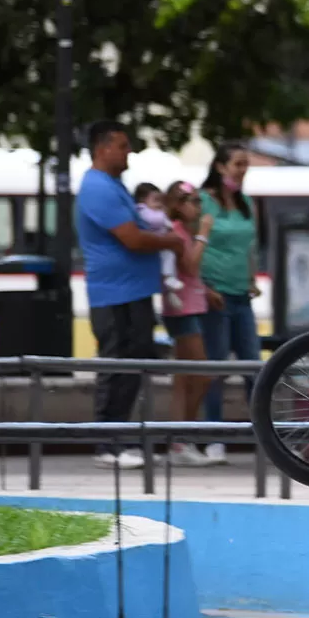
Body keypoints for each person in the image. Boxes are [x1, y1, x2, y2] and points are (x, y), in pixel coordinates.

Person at [77, 121, 184, 470]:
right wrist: (171, 242)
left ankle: (121, 437)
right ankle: (107, 444)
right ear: (102, 148)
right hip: (114, 293)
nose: (128, 153)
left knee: (135, 362)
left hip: (133, 290)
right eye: (122, 146)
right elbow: (133, 239)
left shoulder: (114, 185)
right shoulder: (97, 187)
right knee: (116, 364)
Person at [199, 141, 261, 465]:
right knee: (217, 368)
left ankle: (265, 438)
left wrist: (251, 278)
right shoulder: (203, 201)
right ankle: (213, 437)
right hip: (215, 296)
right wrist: (203, 286)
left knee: (254, 368)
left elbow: (249, 246)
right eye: (237, 164)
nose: (243, 170)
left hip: (241, 295)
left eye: (245, 164)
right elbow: (191, 244)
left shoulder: (245, 202)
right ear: (220, 166)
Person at [161, 181, 217, 466]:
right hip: (181, 312)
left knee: (183, 378)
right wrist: (204, 234)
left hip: (191, 307)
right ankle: (183, 438)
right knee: (201, 375)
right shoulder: (176, 233)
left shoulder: (183, 232)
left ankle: (179, 441)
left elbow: (189, 276)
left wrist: (207, 292)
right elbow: (190, 266)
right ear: (178, 205)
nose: (198, 207)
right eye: (193, 201)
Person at [134, 182, 184, 304]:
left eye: (160, 201)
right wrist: (163, 214)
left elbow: (169, 225)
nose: (159, 204)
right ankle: (168, 282)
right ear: (142, 199)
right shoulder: (141, 210)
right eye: (156, 200)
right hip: (152, 246)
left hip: (161, 245)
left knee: (170, 257)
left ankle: (170, 288)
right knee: (167, 257)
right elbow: (155, 220)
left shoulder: (156, 212)